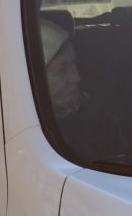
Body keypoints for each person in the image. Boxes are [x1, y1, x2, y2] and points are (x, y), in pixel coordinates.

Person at [40, 17, 125, 160]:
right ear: (36, 77)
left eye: (73, 63)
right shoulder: (30, 133)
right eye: (62, 69)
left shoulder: (97, 112)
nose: (76, 77)